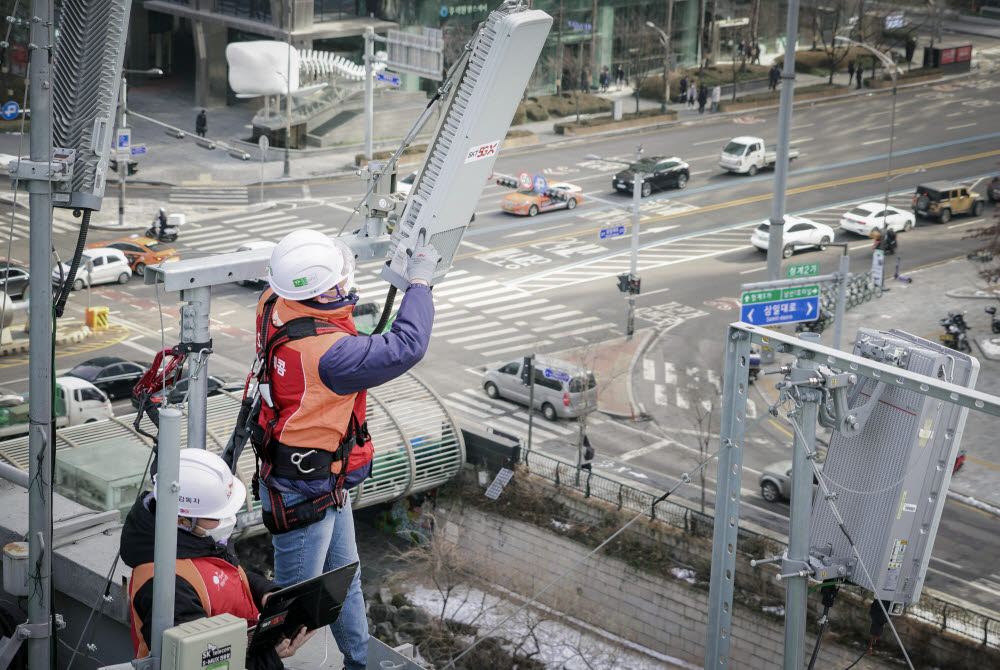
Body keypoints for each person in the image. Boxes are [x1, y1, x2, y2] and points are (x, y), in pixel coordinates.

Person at [254, 230, 439, 670]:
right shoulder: (329, 355)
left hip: (318, 481)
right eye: (338, 280)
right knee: (292, 614)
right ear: (323, 289)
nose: (345, 286)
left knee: (345, 583)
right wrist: (421, 283)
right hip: (306, 490)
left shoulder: (273, 303)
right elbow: (406, 346)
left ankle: (358, 663)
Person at [122, 449, 315, 669]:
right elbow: (204, 662)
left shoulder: (196, 538)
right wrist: (268, 657)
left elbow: (226, 575)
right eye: (217, 515)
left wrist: (266, 594)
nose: (228, 519)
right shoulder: (166, 585)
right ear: (182, 519)